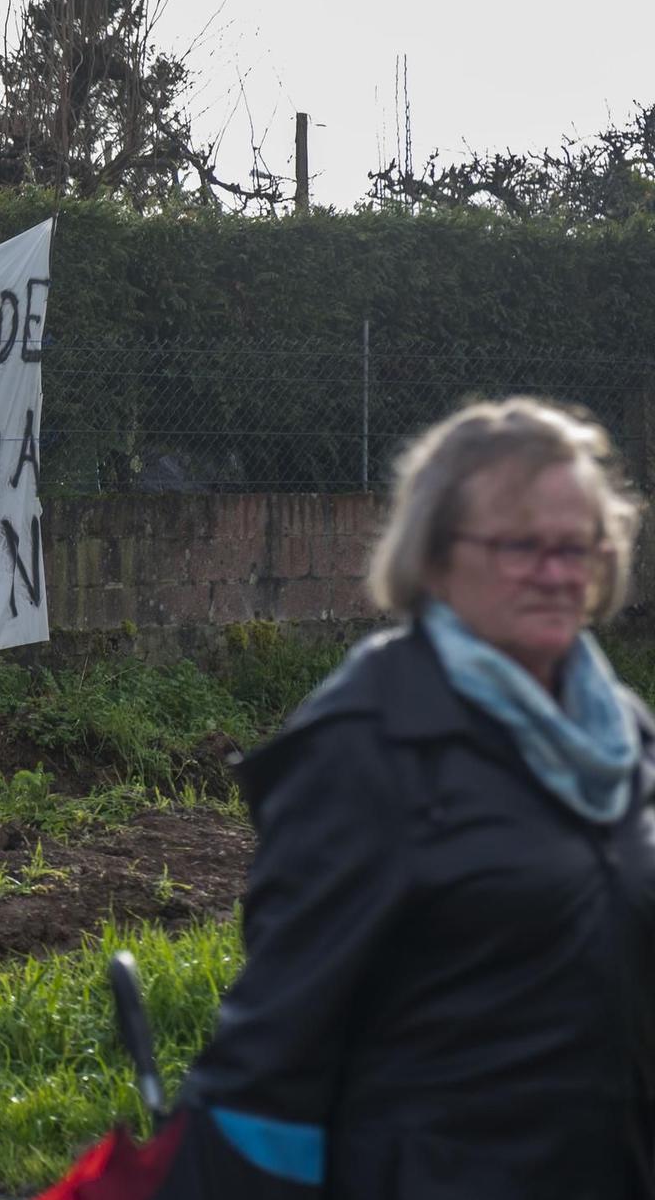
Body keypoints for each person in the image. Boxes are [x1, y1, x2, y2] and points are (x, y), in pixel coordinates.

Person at [149, 397, 655, 1198]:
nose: (558, 572)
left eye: (578, 544)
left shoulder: (623, 736)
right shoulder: (365, 745)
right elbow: (269, 1065)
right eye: (521, 545)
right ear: (437, 556)